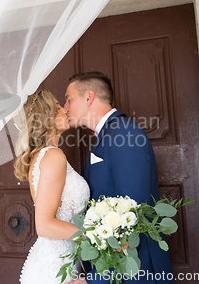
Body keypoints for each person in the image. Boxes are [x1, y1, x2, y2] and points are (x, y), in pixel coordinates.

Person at [63, 72, 174, 284]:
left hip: (138, 271)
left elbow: (133, 216)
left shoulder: (125, 133)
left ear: (89, 97)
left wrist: (95, 281)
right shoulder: (110, 135)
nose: (65, 107)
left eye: (69, 99)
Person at [16, 90, 90, 284]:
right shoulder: (53, 156)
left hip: (63, 258)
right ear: (45, 118)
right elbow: (44, 225)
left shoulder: (43, 156)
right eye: (57, 108)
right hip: (55, 268)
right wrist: (96, 239)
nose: (65, 110)